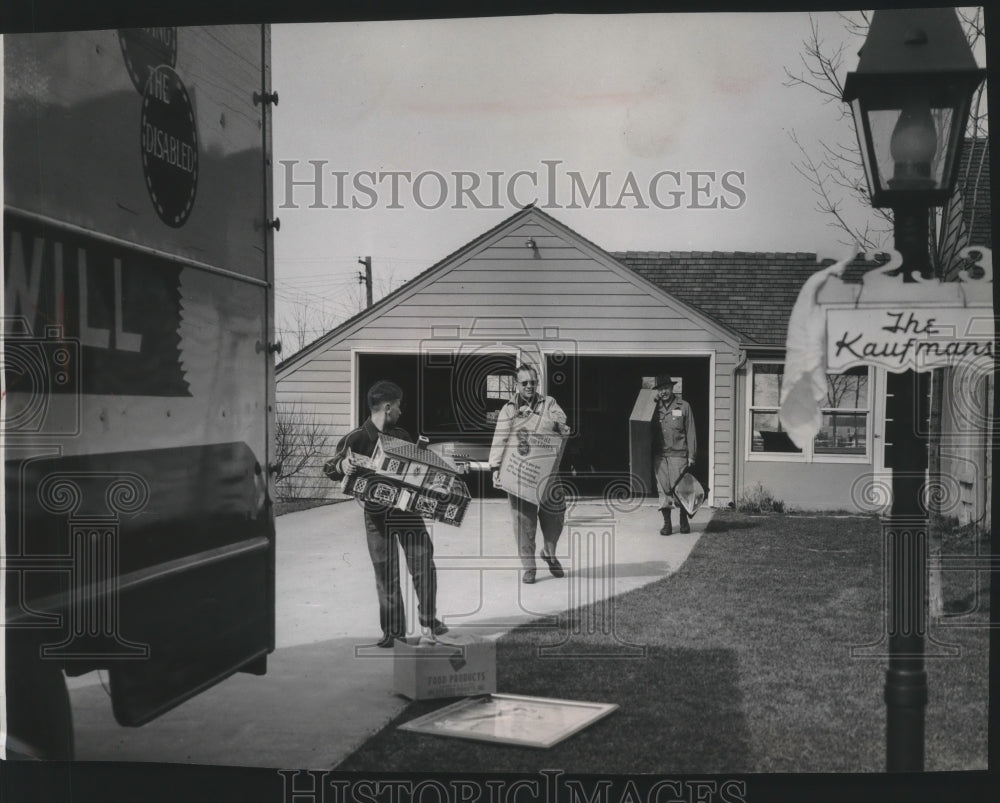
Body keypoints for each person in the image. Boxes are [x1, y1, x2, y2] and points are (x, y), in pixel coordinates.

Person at [325, 380, 448, 647]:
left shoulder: (402, 436)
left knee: (424, 566)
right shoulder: (356, 438)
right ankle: (394, 632)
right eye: (399, 406)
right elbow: (329, 468)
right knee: (386, 574)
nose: (401, 411)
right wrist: (343, 465)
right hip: (377, 518)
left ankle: (429, 620)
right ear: (388, 407)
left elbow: (418, 472)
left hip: (407, 514)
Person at [488, 364, 571, 584]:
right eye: (524, 383)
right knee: (523, 521)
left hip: (547, 472)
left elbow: (561, 423)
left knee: (555, 513)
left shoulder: (549, 403)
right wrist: (495, 468)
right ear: (517, 385)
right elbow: (500, 437)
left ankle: (549, 553)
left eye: (533, 382)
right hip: (519, 472)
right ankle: (529, 567)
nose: (529, 386)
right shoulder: (508, 409)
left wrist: (533, 418)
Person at [652, 374, 697, 535]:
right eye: (660, 389)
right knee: (663, 491)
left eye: (666, 388)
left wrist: (692, 455)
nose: (663, 392)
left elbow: (691, 431)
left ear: (672, 388)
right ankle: (667, 524)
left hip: (679, 455)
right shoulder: (653, 408)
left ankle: (683, 521)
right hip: (660, 457)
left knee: (682, 489)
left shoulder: (684, 406)